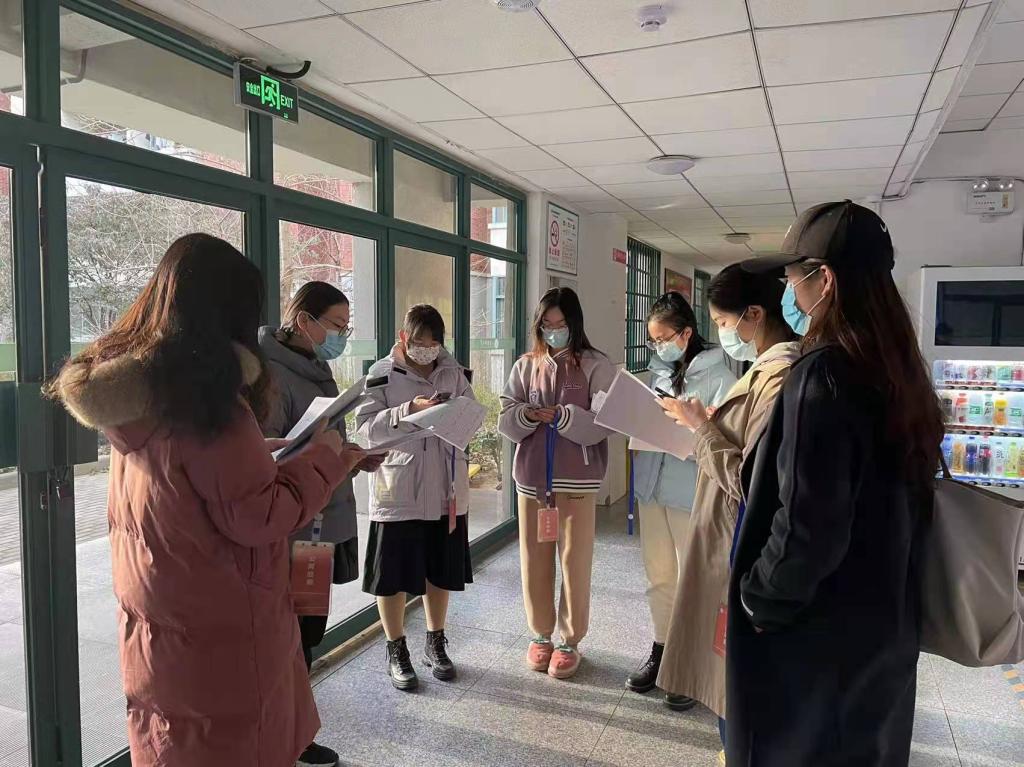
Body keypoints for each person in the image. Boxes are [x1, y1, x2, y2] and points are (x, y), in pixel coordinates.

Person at [48, 234, 366, 767]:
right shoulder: (210, 407)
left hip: (162, 631)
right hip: (224, 637)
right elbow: (261, 515)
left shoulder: (139, 398)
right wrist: (326, 458)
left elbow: (188, 482)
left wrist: (258, 453)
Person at [726, 202, 943, 766]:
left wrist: (759, 598)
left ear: (824, 279)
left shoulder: (823, 373)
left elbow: (808, 523)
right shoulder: (897, 367)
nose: (790, 294)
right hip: (882, 626)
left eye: (792, 279)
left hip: (820, 640)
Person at [655, 266, 800, 764]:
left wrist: (702, 429)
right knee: (725, 673)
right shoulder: (765, 368)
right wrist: (715, 422)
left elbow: (752, 481)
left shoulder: (780, 375)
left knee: (734, 680)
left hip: (741, 540)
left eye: (722, 321)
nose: (722, 331)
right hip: (730, 535)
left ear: (754, 315)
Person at [260, 282, 385, 767]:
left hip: (322, 518)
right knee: (288, 639)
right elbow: (269, 455)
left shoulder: (316, 367)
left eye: (346, 327)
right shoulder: (271, 374)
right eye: (336, 325)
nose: (341, 337)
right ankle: (286, 739)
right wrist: (328, 458)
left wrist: (350, 459)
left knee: (306, 635)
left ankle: (294, 733)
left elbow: (320, 441)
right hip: (294, 528)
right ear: (304, 320)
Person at [355, 305, 476, 692]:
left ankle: (435, 642)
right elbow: (364, 432)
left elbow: (471, 418)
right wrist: (409, 411)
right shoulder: (381, 374)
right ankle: (396, 649)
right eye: (420, 342)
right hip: (399, 490)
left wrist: (457, 419)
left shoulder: (454, 372)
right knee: (391, 577)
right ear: (403, 337)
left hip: (444, 489)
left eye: (434, 343)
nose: (427, 349)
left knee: (440, 570)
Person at [626, 291, 736, 710]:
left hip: (690, 492)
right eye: (652, 341)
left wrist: (692, 427)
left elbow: (725, 442)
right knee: (659, 575)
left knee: (693, 580)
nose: (658, 347)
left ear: (686, 333)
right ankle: (661, 649)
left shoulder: (720, 378)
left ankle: (688, 665)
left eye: (663, 339)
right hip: (651, 487)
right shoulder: (657, 373)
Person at [498, 287, 616, 680]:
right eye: (546, 325)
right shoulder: (525, 365)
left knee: (574, 561)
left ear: (574, 323)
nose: (553, 331)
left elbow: (606, 423)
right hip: (532, 482)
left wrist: (564, 417)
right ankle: (540, 634)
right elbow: (505, 419)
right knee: (533, 558)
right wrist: (528, 415)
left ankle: (569, 639)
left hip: (577, 481)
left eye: (560, 324)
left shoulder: (597, 365)